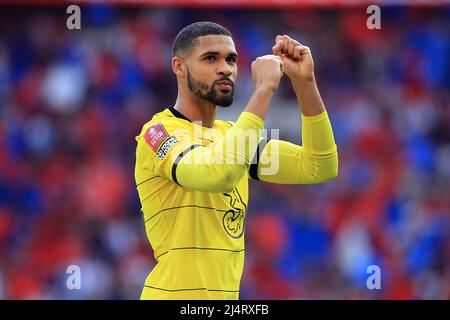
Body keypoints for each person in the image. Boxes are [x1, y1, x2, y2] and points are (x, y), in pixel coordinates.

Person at [134, 21, 338, 300]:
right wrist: (264, 89)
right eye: (210, 58)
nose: (225, 68)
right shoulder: (158, 133)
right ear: (179, 67)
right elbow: (217, 175)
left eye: (231, 59)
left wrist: (305, 83)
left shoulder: (231, 136)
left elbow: (318, 166)